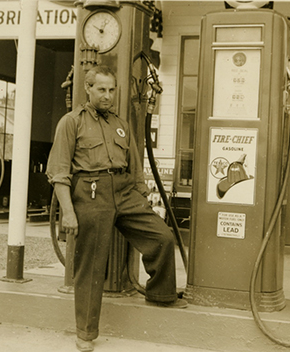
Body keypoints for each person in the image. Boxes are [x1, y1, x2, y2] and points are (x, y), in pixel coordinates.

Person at [46, 65, 186, 352]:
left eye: (112, 90)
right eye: (101, 90)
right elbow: (59, 172)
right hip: (91, 191)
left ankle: (161, 295)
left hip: (124, 191)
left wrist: (143, 197)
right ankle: (85, 333)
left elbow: (134, 167)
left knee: (162, 237)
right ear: (88, 89)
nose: (107, 95)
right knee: (92, 265)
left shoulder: (120, 124)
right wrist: (68, 212)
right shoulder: (71, 122)